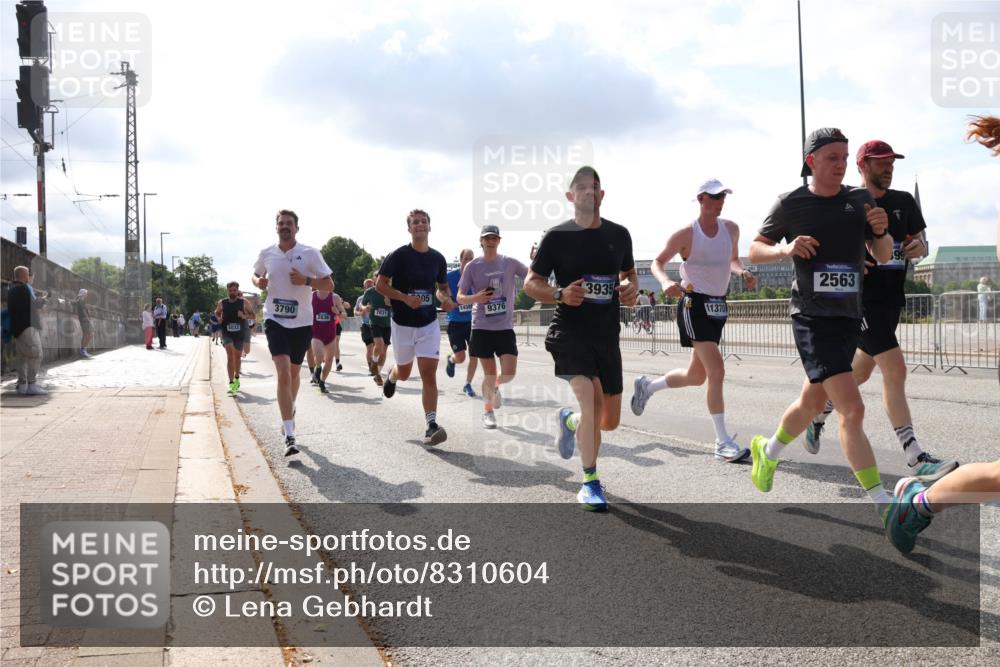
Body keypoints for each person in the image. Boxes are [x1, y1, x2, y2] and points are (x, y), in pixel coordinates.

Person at [747, 128, 895, 523]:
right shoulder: (790, 204)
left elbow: (881, 254)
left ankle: (768, 451)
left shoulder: (859, 199)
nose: (841, 164)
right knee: (852, 407)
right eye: (832, 157)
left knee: (812, 401)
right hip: (812, 318)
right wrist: (785, 248)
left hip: (849, 315)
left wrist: (880, 231)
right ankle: (882, 502)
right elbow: (754, 251)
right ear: (811, 161)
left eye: (845, 157)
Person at [803, 140, 958, 480]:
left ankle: (818, 417)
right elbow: (825, 246)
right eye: (881, 162)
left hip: (892, 301)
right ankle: (914, 454)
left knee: (859, 374)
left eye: (892, 162)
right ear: (863, 165)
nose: (888, 167)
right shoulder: (848, 203)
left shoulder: (903, 202)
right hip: (860, 302)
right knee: (896, 369)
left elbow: (917, 243)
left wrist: (916, 247)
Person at [524, 166, 639, 511]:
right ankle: (590, 482)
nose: (590, 193)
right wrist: (559, 294)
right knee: (590, 401)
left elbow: (629, 272)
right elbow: (531, 282)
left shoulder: (620, 235)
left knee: (609, 421)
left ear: (602, 196)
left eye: (595, 188)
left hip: (606, 337)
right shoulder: (557, 237)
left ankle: (569, 421)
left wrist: (632, 286)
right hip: (569, 332)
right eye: (583, 188)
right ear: (571, 196)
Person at [631, 178, 755, 462]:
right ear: (701, 199)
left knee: (696, 376)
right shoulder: (686, 234)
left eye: (723, 196)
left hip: (718, 304)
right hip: (692, 303)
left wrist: (742, 272)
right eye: (714, 196)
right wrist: (664, 282)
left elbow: (733, 260)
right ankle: (722, 441)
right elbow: (657, 262)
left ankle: (647, 387)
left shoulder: (731, 229)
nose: (720, 201)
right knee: (717, 370)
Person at [252, 209, 334, 456]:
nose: (284, 226)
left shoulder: (309, 253)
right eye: (281, 223)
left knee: (295, 374)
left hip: (301, 322)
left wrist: (307, 281)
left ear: (297, 228)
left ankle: (291, 406)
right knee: (284, 373)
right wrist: (259, 282)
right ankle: (290, 435)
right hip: (274, 319)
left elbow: (329, 285)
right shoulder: (267, 253)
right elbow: (255, 274)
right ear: (276, 227)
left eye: (289, 223)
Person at [376, 208, 454, 446]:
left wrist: (445, 299)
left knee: (428, 373)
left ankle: (431, 425)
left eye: (423, 221)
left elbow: (442, 288)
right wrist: (404, 298)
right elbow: (380, 285)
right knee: (405, 373)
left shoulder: (438, 259)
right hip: (402, 324)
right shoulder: (398, 255)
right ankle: (392, 375)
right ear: (409, 228)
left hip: (428, 323)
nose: (420, 225)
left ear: (429, 227)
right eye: (415, 222)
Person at [457, 225, 529, 428]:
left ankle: (494, 387)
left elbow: (531, 276)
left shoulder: (509, 262)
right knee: (489, 372)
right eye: (487, 238)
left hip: (504, 327)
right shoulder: (472, 266)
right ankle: (488, 412)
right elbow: (460, 297)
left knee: (509, 373)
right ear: (481, 241)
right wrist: (476, 297)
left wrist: (537, 259)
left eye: (494, 238)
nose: (490, 241)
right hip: (481, 325)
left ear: (499, 241)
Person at [445, 248, 480, 397]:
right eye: (466, 259)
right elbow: (440, 291)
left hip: (473, 323)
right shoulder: (450, 276)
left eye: (472, 259)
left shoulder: (477, 277)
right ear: (460, 260)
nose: (469, 262)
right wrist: (446, 299)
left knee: (475, 354)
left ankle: (467, 384)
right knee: (461, 357)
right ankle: (451, 360)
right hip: (455, 322)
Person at [9, 266, 46, 395]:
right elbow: (34, 305)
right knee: (37, 354)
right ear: (24, 275)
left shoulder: (11, 289)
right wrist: (43, 300)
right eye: (28, 274)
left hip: (17, 328)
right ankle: (31, 384)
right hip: (28, 327)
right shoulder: (24, 289)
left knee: (22, 357)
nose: (29, 276)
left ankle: (22, 385)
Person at [217, 282, 255, 395]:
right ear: (227, 291)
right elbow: (217, 312)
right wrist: (219, 318)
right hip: (226, 332)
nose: (232, 293)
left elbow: (252, 315)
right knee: (230, 357)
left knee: (237, 358)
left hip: (239, 333)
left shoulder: (244, 302)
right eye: (230, 291)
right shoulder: (222, 302)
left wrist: (244, 316)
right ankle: (231, 382)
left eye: (234, 290)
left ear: (237, 290)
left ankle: (237, 379)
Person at [361, 274, 392, 387]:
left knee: (383, 351)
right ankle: (374, 362)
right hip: (374, 323)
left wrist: (391, 303)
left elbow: (399, 306)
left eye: (387, 278)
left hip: (386, 324)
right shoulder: (370, 291)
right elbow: (362, 305)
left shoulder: (391, 291)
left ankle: (377, 374)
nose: (385, 280)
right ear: (375, 279)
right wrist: (365, 308)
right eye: (380, 277)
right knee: (379, 344)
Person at [310, 286, 341, 393]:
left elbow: (344, 314)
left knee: (329, 360)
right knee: (319, 355)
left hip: (330, 333)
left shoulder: (335, 297)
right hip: (316, 332)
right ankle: (317, 368)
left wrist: (338, 312)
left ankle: (322, 382)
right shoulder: (311, 295)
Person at [355, 278, 376, 372]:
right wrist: (361, 313)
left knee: (377, 348)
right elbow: (355, 311)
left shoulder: (377, 297)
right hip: (366, 325)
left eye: (371, 285)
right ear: (364, 287)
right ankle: (371, 368)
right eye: (367, 286)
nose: (369, 287)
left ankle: (376, 365)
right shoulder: (360, 299)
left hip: (377, 325)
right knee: (370, 348)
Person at [75, 289, 93, 358]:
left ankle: (83, 350)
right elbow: (83, 311)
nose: (87, 295)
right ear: (82, 294)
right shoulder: (80, 300)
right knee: (88, 334)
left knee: (88, 334)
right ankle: (83, 350)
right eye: (86, 293)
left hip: (85, 319)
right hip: (84, 319)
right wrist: (87, 318)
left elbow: (84, 309)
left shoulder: (81, 301)